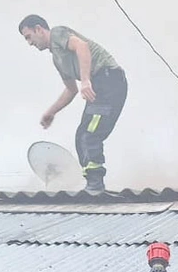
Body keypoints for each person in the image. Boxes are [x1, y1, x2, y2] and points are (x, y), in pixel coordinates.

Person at [19, 15, 127, 193]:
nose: (30, 43)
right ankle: (92, 183)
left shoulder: (58, 34)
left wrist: (85, 80)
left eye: (29, 37)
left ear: (39, 29)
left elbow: (81, 46)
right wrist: (51, 112)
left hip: (108, 79)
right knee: (82, 136)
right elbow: (71, 90)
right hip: (100, 86)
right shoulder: (57, 59)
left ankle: (95, 185)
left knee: (89, 134)